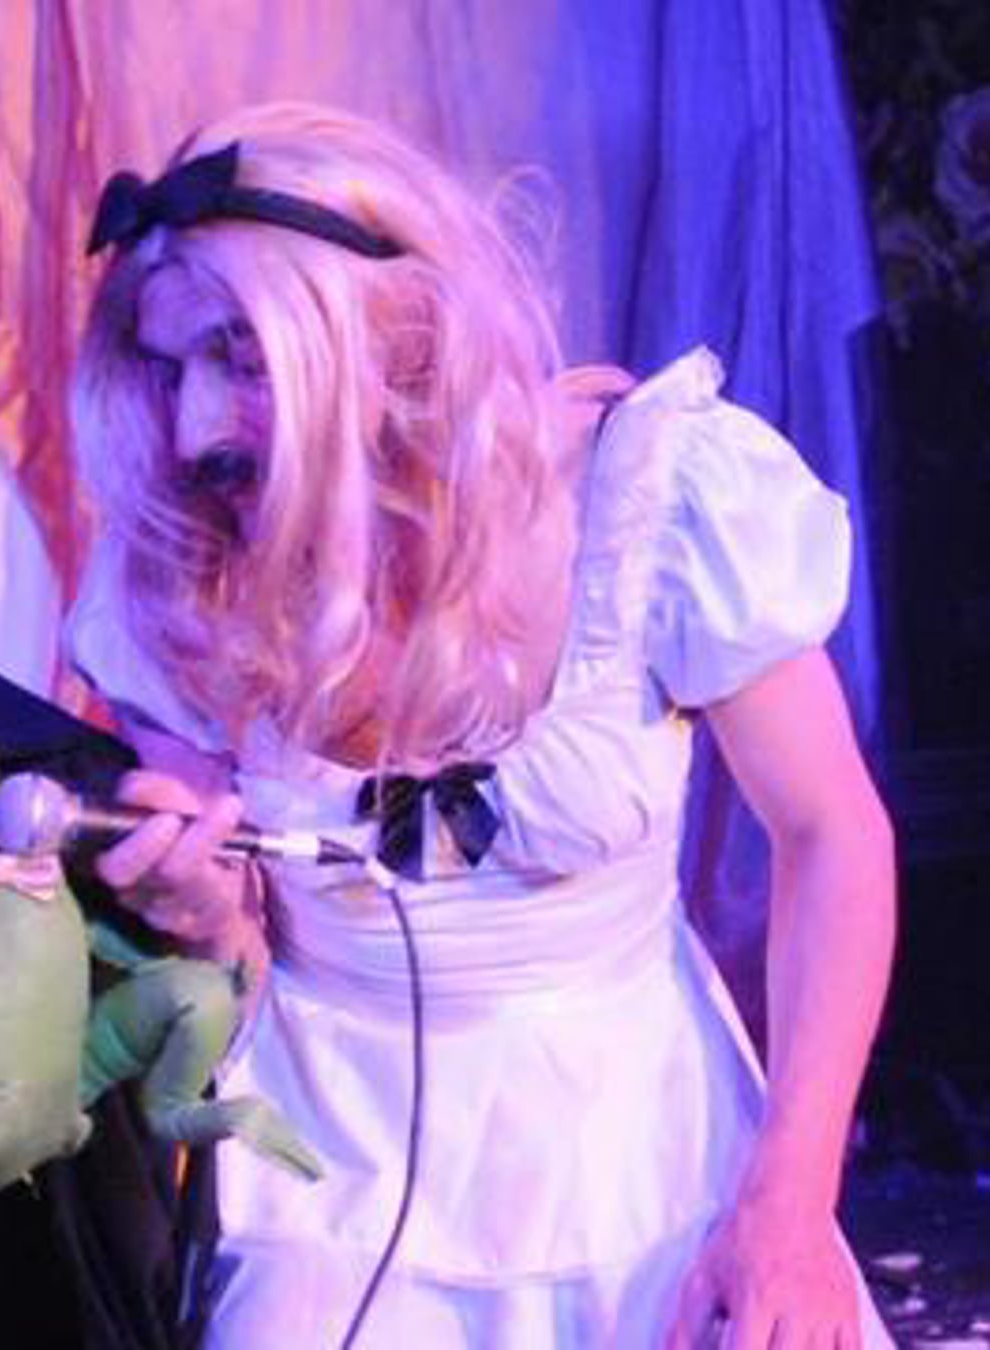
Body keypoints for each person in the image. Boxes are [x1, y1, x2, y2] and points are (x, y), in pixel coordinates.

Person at [59, 103, 896, 1347]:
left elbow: (832, 838)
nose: (194, 429)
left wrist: (790, 1206)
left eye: (242, 357)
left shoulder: (650, 497)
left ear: (382, 333)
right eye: (170, 369)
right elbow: (235, 957)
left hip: (642, 1167)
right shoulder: (183, 574)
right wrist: (199, 906)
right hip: (327, 1202)